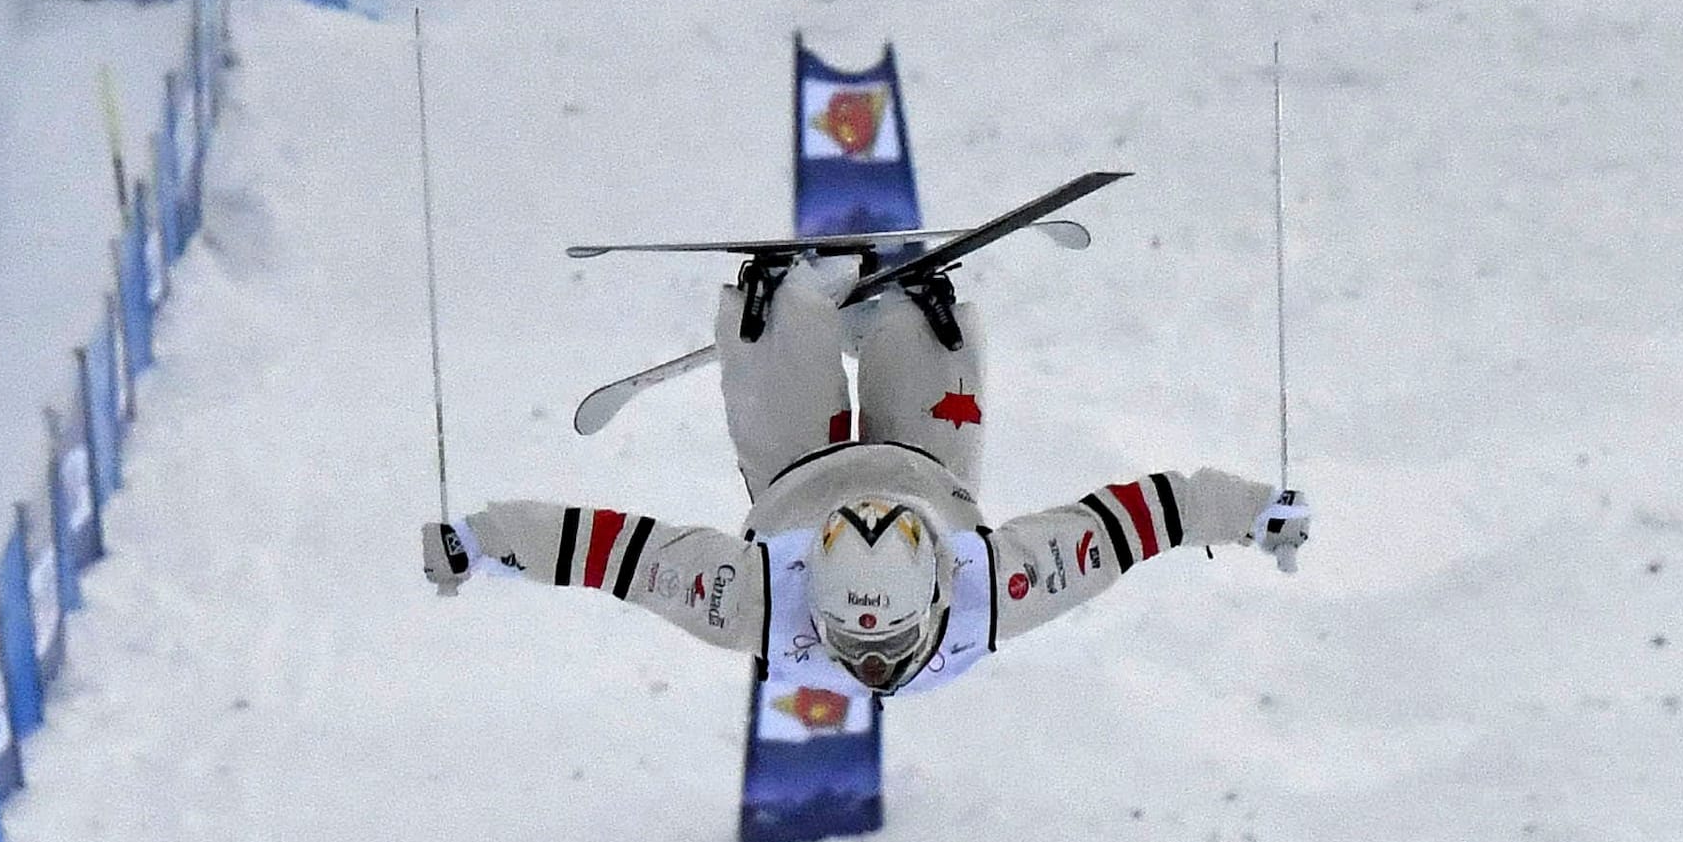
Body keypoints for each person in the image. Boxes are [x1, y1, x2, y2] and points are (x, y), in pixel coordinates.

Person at [423, 252, 1310, 697]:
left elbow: (611, 554)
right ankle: (917, 322)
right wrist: (1249, 513)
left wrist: (484, 540)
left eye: (864, 649)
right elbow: (1136, 524)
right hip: (927, 468)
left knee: (787, 323)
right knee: (929, 336)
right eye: (870, 647)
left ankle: (779, 312)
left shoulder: (751, 599)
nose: (877, 664)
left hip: (797, 477)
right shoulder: (996, 590)